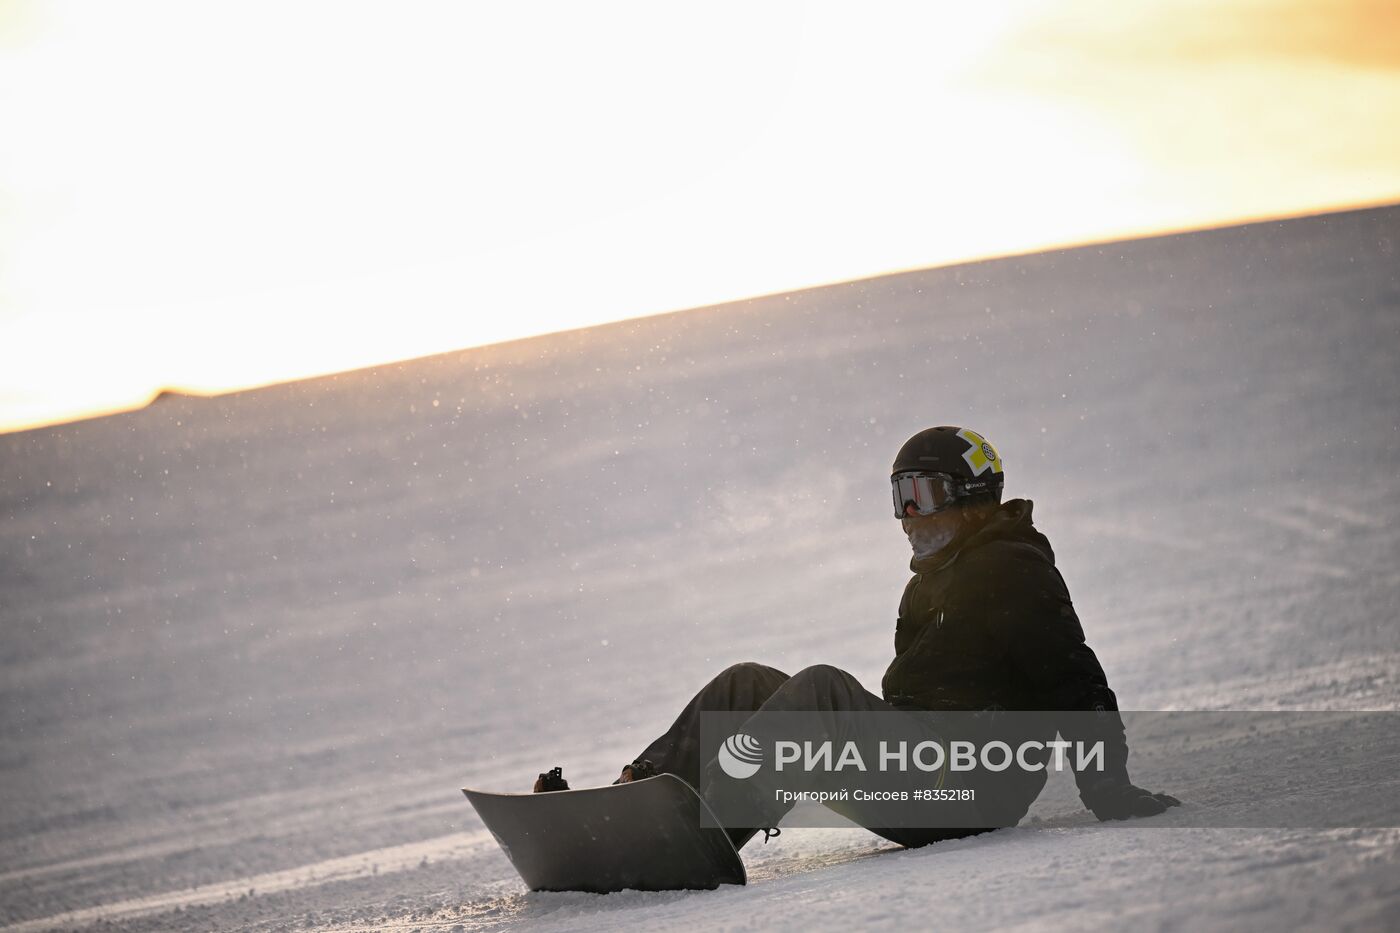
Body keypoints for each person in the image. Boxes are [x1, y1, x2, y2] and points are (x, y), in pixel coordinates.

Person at [535, 426, 1178, 848]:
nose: (906, 516)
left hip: (972, 787)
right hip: (930, 766)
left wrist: (1108, 789)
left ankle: (691, 836)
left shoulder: (1010, 568)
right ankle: (631, 805)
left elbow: (1075, 678)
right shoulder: (937, 577)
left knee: (821, 691)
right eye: (898, 496)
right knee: (746, 683)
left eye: (922, 494)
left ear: (973, 494)